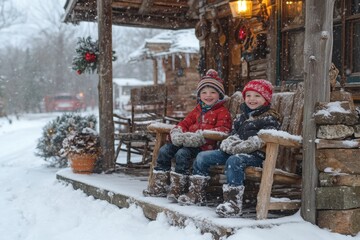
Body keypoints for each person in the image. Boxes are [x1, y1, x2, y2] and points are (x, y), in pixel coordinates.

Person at [177, 79, 281, 217]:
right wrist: (228, 142)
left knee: (234, 161)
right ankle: (197, 193)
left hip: (256, 156)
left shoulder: (269, 118)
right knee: (203, 157)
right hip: (234, 150)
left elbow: (262, 139)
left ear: (266, 99)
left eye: (257, 96)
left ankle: (233, 203)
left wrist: (242, 146)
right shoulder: (241, 117)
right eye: (248, 96)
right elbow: (233, 134)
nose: (252, 99)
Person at [143, 69, 232, 202]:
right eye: (204, 92)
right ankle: (160, 185)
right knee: (165, 150)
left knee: (182, 154)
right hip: (187, 141)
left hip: (204, 146)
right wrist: (177, 131)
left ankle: (179, 186)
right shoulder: (197, 110)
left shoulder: (222, 112)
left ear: (219, 95)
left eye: (213, 92)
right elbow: (185, 123)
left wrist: (201, 135)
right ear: (199, 95)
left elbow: (223, 130)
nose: (208, 95)